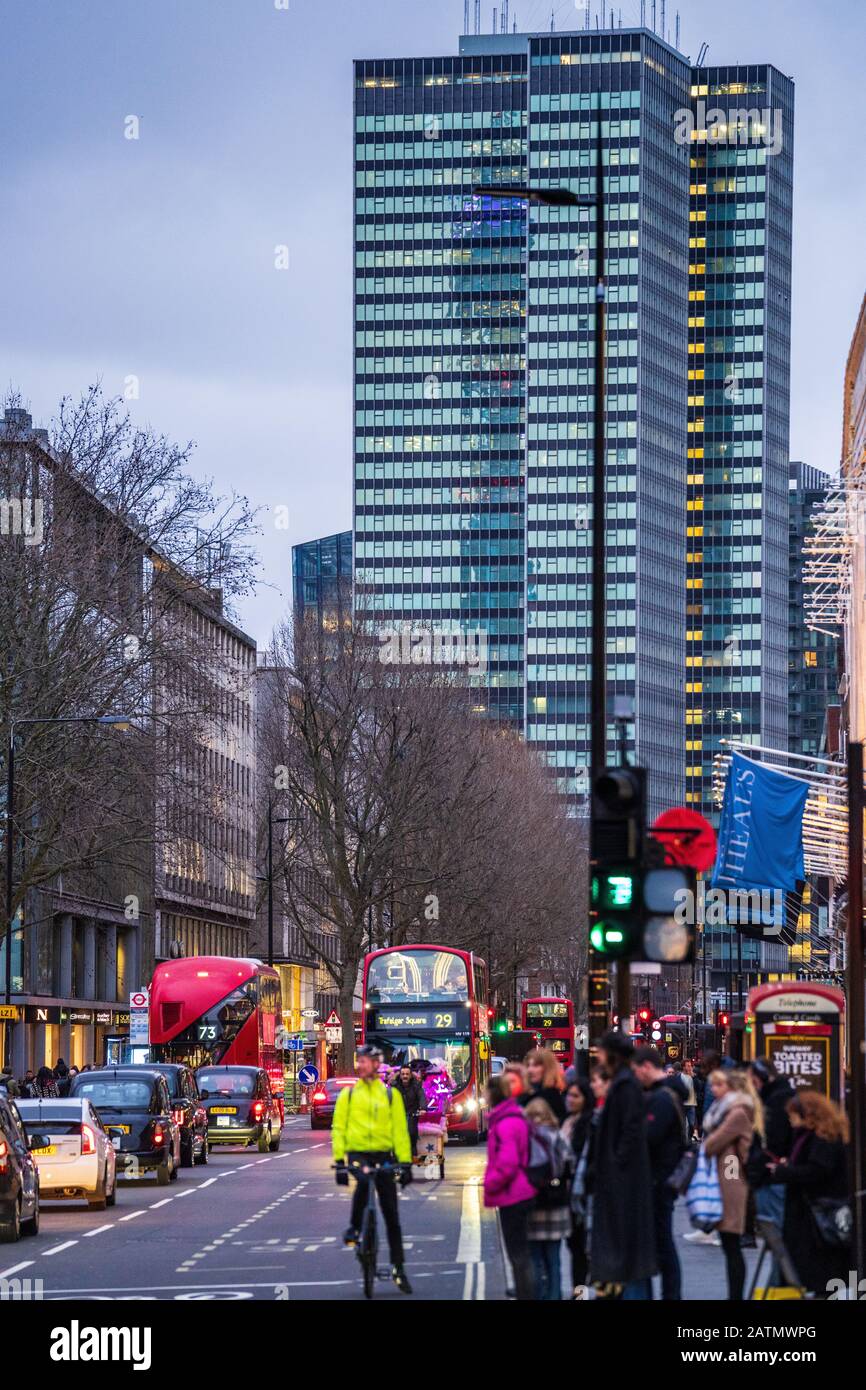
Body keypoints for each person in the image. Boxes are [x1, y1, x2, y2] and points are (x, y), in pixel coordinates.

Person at [332, 1043, 414, 1295]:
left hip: (383, 1155)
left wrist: (406, 1163)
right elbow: (339, 1128)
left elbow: (400, 1131)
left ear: (377, 1065)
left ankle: (398, 1267)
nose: (361, 1065)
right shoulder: (348, 1095)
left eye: (366, 1061)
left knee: (391, 1214)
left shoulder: (391, 1096)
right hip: (358, 1154)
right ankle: (355, 1227)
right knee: (364, 1182)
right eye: (359, 1061)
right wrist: (340, 1164)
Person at [589, 1032, 656, 1297]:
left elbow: (629, 1132)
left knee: (628, 1255)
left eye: (602, 1052)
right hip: (622, 1180)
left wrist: (616, 1165)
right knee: (626, 1254)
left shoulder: (626, 1086)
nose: (599, 1057)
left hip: (625, 1184)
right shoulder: (624, 1083)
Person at [769, 1090, 849, 1296]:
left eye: (793, 1115)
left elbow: (817, 1170)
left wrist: (785, 1171)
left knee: (820, 1268)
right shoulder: (810, 1135)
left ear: (808, 1115)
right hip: (809, 1209)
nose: (790, 1119)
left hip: (818, 1209)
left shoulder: (823, 1138)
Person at [701, 1068, 761, 1300]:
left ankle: (735, 1296)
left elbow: (710, 1145)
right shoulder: (727, 1111)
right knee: (729, 1245)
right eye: (712, 1085)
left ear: (732, 1088)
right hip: (726, 1177)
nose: (713, 1090)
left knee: (732, 1245)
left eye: (718, 1085)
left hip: (732, 1181)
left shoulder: (736, 1113)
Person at [632, 1046, 686, 1300]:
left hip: (660, 1179)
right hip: (659, 1178)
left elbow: (649, 1136)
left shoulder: (662, 1099)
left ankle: (670, 1295)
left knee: (663, 1243)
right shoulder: (662, 1094)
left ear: (645, 1067)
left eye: (636, 1071)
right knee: (660, 1242)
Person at [483, 1072, 537, 1300]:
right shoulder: (513, 1118)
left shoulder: (505, 1123)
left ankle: (527, 1295)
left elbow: (508, 1162)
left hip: (513, 1194)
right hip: (521, 1192)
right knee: (521, 1253)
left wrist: (490, 1183)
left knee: (518, 1254)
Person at [524, 1096, 572, 1299]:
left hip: (533, 1206)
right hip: (556, 1207)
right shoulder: (558, 1136)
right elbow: (569, 1163)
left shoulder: (527, 1138)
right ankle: (555, 1295)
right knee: (554, 1261)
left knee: (535, 1260)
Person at [747, 1057, 794, 1263]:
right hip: (770, 1175)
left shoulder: (776, 1101)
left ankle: (781, 1283)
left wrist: (757, 1166)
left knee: (777, 1236)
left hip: (771, 1177)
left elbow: (772, 1141)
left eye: (754, 1081)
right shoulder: (775, 1097)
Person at [561, 1076, 593, 1295]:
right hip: (566, 1192)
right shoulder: (567, 1121)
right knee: (574, 1248)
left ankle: (581, 1293)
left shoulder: (589, 1123)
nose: (570, 1100)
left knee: (583, 1250)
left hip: (583, 1193)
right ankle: (577, 1292)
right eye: (569, 1095)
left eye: (576, 1096)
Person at [390, 1063, 426, 1161]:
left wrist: (423, 1108)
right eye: (403, 1074)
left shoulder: (416, 1085)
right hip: (398, 1114)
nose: (405, 1076)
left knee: (411, 1131)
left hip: (412, 1113)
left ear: (410, 1075)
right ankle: (395, 1155)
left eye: (407, 1074)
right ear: (400, 1075)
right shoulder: (395, 1086)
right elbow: (389, 1097)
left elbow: (421, 1096)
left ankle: (413, 1151)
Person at [521, 1048, 567, 1123]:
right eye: (528, 1065)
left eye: (535, 1065)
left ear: (547, 1068)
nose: (530, 1070)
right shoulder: (525, 1094)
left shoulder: (552, 1097)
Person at [680, 1061, 698, 1136]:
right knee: (683, 1124)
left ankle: (689, 1139)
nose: (690, 1067)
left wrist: (694, 1077)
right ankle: (684, 1141)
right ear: (683, 1067)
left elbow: (698, 1087)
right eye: (688, 1065)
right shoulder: (680, 1076)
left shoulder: (693, 1076)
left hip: (692, 1103)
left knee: (691, 1124)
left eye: (690, 1065)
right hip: (683, 1103)